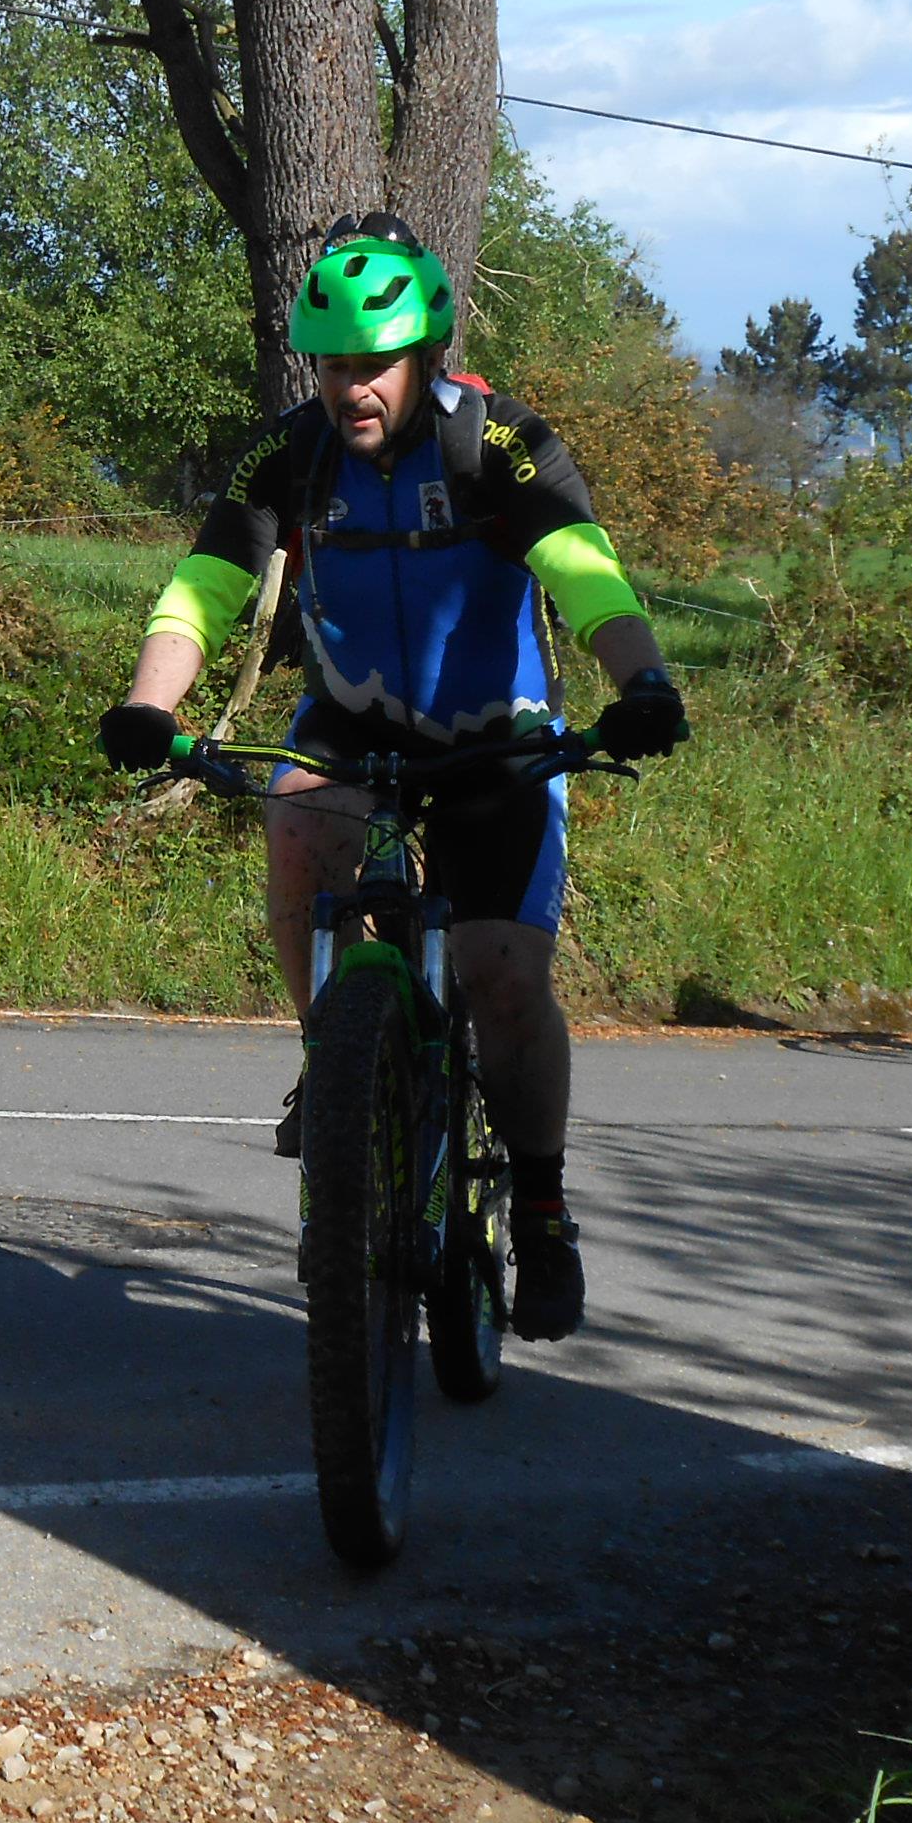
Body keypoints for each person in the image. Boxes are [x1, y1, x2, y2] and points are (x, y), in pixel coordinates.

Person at [96, 213, 688, 1343]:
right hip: (355, 721)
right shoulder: (293, 454)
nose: (350, 388)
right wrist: (148, 705)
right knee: (295, 819)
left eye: (373, 365)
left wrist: (645, 683)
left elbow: (584, 571)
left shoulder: (500, 445)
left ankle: (543, 1210)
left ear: (427, 356)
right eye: (331, 366)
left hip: (494, 735)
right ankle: (333, 1061)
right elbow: (205, 584)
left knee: (501, 977)